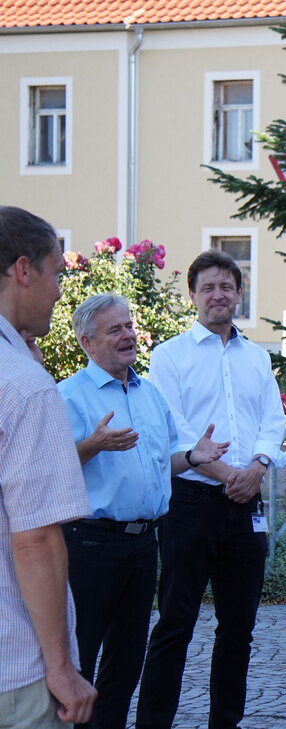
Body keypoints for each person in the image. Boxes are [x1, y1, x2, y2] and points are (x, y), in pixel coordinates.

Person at [57, 293, 228, 729]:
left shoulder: (150, 395)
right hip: (89, 543)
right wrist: (91, 446)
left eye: (129, 326)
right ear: (87, 342)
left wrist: (193, 456)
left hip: (143, 544)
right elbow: (51, 468)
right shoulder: (68, 397)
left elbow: (164, 460)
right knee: (81, 657)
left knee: (127, 659)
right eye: (115, 329)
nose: (129, 335)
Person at [136, 250, 286, 729]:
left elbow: (272, 419)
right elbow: (173, 428)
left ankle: (226, 722)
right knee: (175, 624)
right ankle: (153, 723)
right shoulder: (169, 355)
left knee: (238, 629)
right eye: (208, 288)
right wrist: (229, 475)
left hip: (247, 508)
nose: (218, 295)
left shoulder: (258, 356)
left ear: (239, 293)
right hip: (192, 504)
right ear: (193, 296)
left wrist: (259, 466)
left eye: (226, 286)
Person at [0, 206, 97, 729]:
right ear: (22, 270)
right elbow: (33, 539)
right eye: (56, 271)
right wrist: (60, 668)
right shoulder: (22, 386)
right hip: (14, 669)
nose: (61, 289)